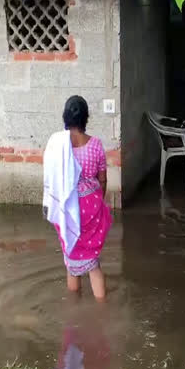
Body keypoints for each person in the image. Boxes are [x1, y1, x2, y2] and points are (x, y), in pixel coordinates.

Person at [43, 95, 112, 300]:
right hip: (91, 206)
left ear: (65, 116)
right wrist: (97, 202)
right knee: (92, 262)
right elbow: (103, 179)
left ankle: (73, 308)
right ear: (86, 118)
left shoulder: (58, 145)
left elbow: (52, 175)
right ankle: (102, 311)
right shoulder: (96, 145)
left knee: (71, 258)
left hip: (68, 206)